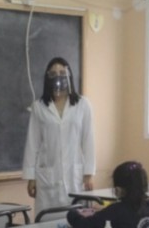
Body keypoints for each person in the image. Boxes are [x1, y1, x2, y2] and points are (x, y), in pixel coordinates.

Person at [22, 57, 96, 215]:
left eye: (62, 72)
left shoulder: (83, 105)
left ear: (69, 75)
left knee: (77, 222)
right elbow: (32, 143)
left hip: (75, 176)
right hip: (48, 177)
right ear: (47, 77)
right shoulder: (39, 107)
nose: (58, 76)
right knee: (47, 225)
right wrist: (31, 177)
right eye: (54, 73)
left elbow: (88, 140)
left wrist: (88, 174)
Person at [66, 160, 149, 228]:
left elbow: (81, 224)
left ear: (118, 190)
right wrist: (106, 210)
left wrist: (74, 212)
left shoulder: (115, 212)